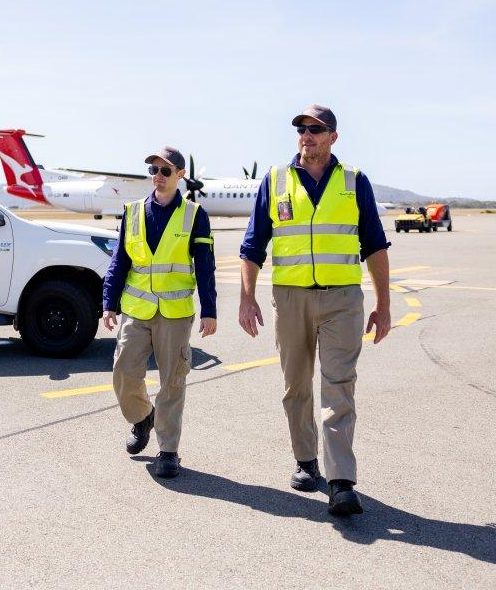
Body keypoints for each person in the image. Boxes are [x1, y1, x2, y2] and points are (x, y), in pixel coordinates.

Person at [238, 105, 391, 516]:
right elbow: (253, 246)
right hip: (290, 300)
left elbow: (375, 245)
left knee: (339, 384)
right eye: (302, 129)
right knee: (296, 386)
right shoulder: (276, 181)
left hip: (342, 299)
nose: (306, 135)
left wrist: (384, 303)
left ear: (333, 138)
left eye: (316, 129)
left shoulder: (354, 182)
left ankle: (341, 481)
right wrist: (246, 296)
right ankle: (306, 461)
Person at [102, 146, 218, 479]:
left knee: (173, 381)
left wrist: (209, 310)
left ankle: (168, 450)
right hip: (136, 310)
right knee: (124, 374)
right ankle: (142, 418)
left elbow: (205, 265)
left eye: (166, 171)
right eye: (153, 170)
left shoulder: (195, 214)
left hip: (175, 312)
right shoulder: (134, 211)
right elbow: (120, 261)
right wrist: (109, 303)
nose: (158, 176)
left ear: (180, 175)